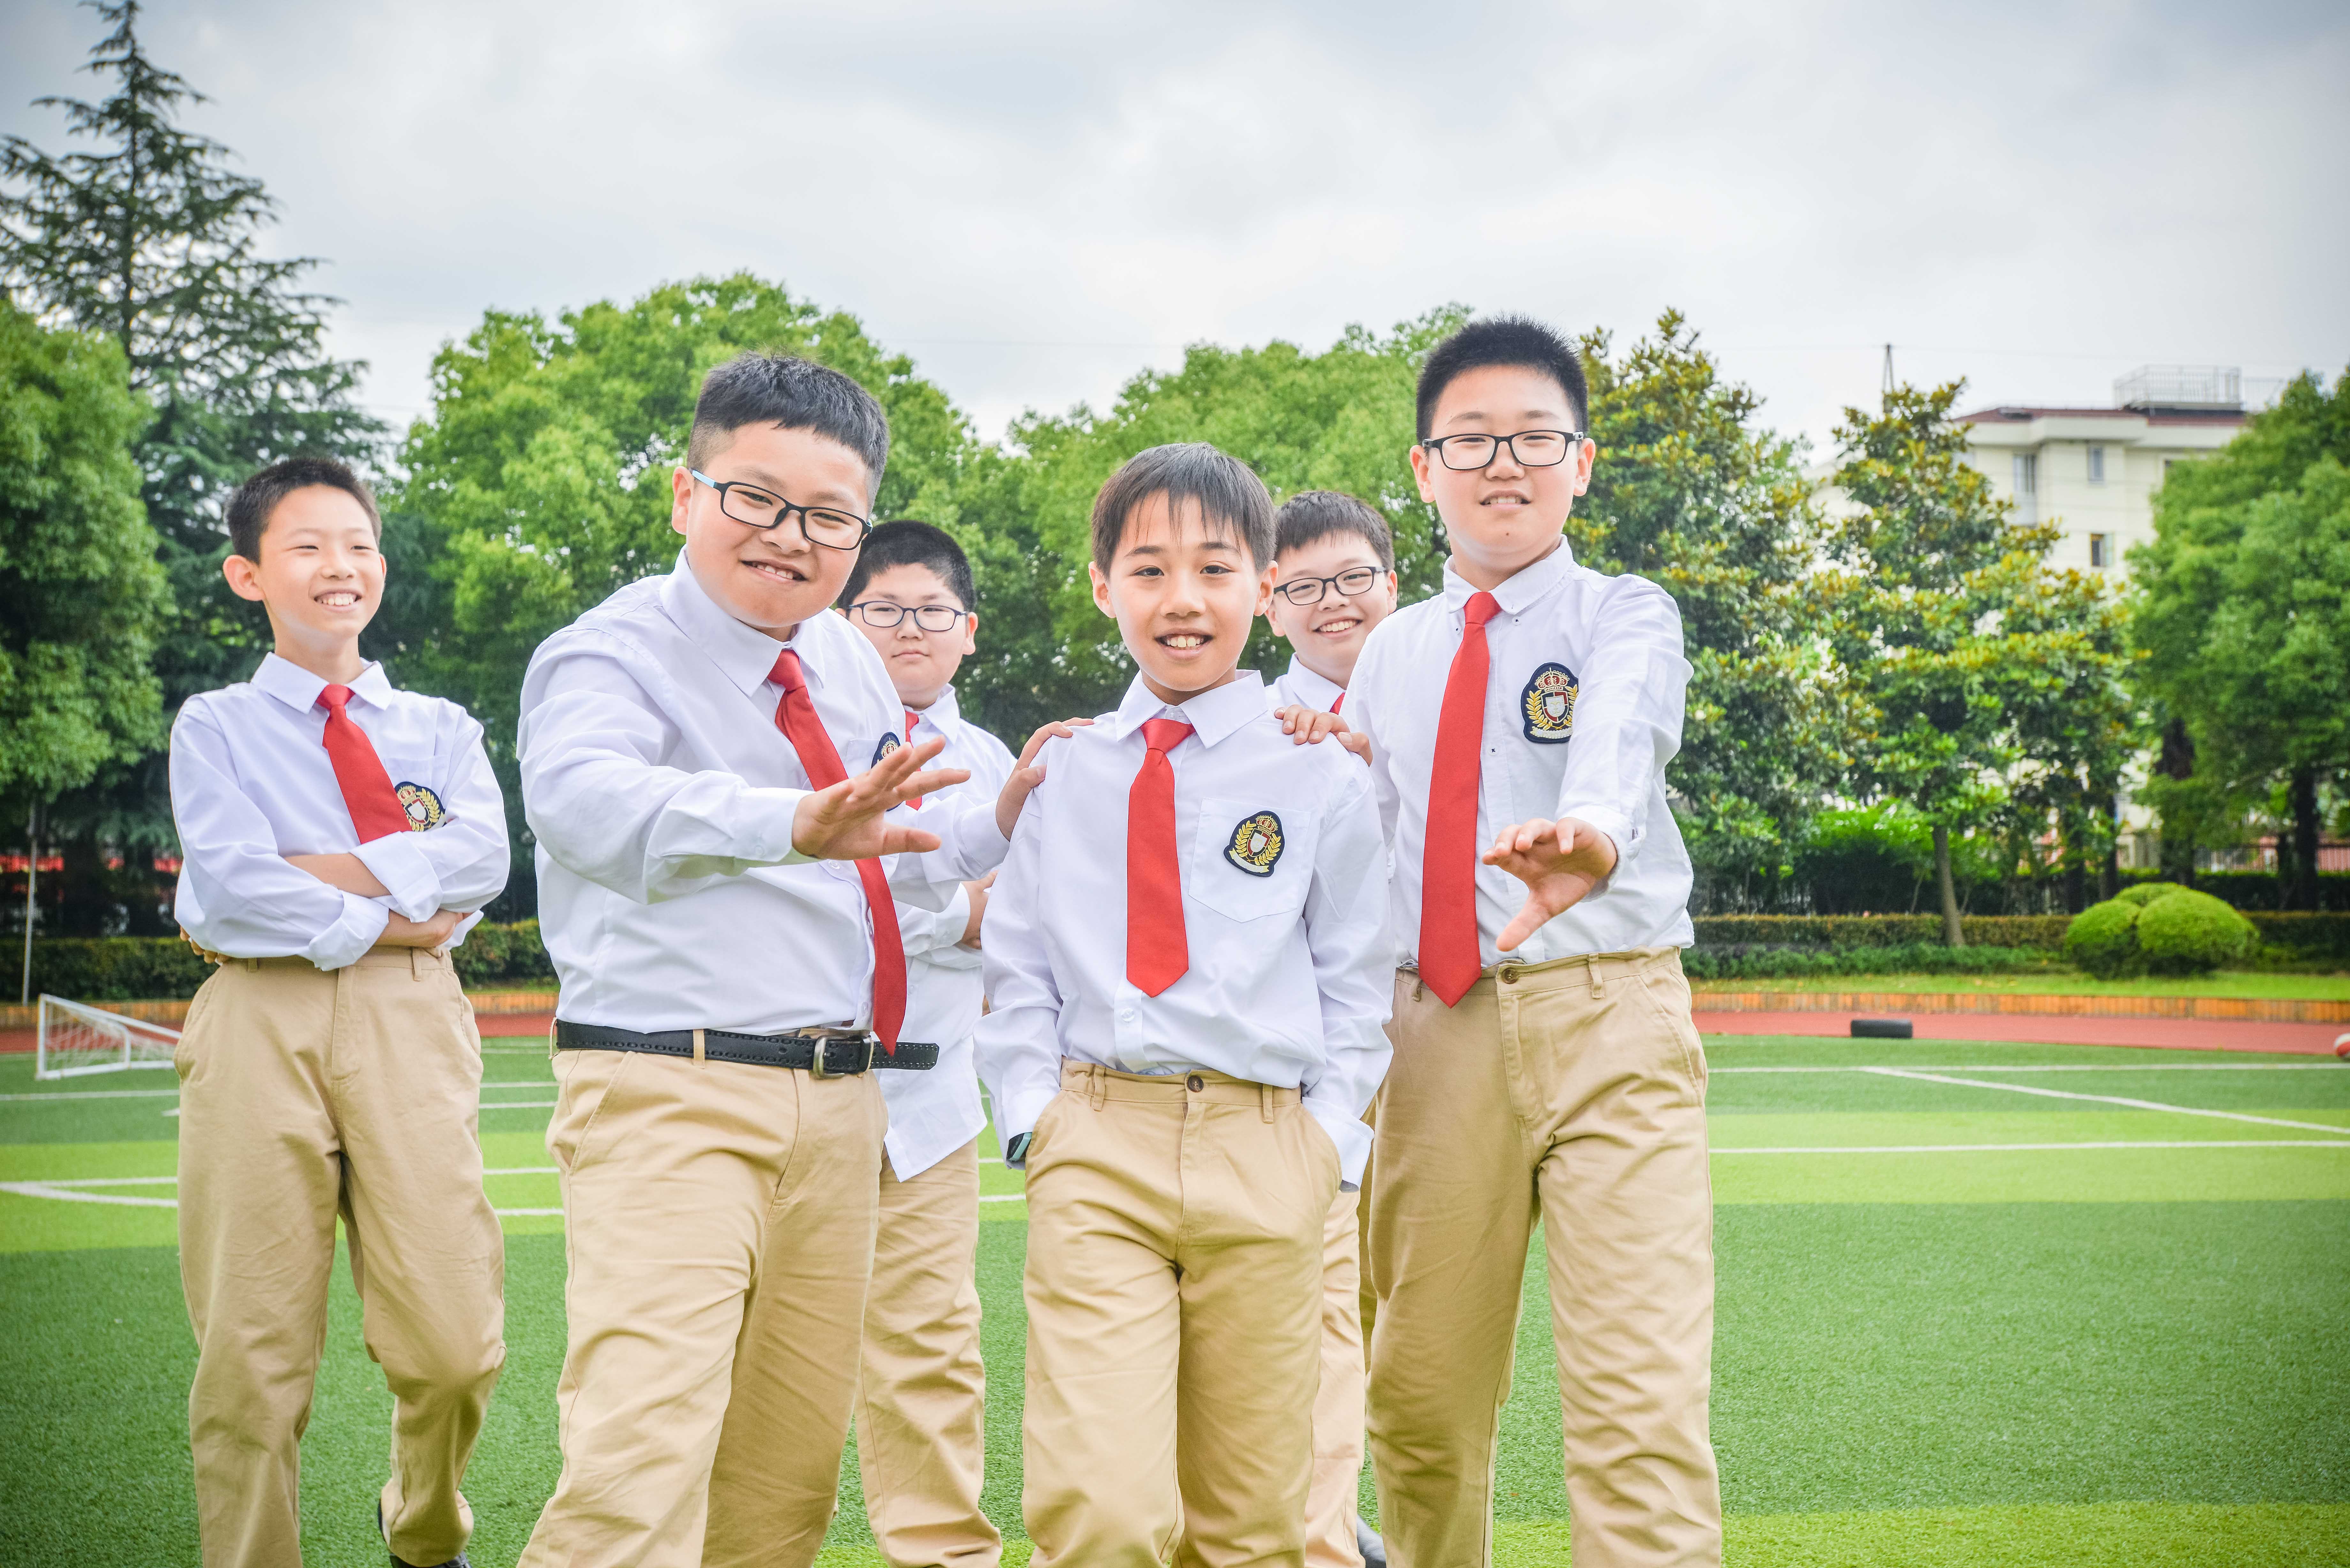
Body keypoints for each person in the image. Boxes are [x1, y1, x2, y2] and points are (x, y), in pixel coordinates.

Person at [514, 353, 1055, 1568]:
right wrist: (791, 821)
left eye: (828, 516)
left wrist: (998, 820)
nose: (789, 537)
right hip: (673, 1087)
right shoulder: (610, 653)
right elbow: (583, 803)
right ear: (685, 493)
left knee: (781, 1482)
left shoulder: (845, 661)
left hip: (843, 1101)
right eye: (755, 498)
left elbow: (879, 856)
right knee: (641, 1460)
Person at [1345, 316, 1723, 1568]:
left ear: (1582, 462)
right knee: (1419, 1406)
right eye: (1471, 440)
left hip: (1612, 1017)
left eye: (1534, 438)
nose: (1503, 463)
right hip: (1431, 1033)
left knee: (1638, 1403)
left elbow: (1621, 725)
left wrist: (1592, 833)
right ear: (1424, 469)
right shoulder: (1390, 653)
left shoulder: (1624, 613)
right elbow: (1361, 850)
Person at [977, 442, 1393, 1568]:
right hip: (1097, 1141)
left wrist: (1326, 1144)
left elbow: (1357, 980)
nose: (1183, 600)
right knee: (1100, 1512)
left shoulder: (1319, 773)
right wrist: (1036, 1122)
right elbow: (1018, 969)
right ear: (1103, 587)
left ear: (1264, 585)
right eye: (1149, 570)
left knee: (1250, 1524)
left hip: (1268, 1148)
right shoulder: (1065, 773)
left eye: (1215, 568)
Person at [169, 456, 509, 1568]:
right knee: (251, 1357)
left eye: (359, 545)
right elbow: (228, 886)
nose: (340, 566)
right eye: (308, 546)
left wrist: (310, 874)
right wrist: (400, 911)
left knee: (455, 1345)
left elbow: (485, 862)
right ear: (248, 575)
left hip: (414, 1021)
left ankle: (422, 1525)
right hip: (256, 1019)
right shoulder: (216, 725)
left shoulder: (441, 728)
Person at [836, 520, 1017, 1568]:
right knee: (761, 1353)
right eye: (884, 609)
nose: (910, 629)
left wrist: (948, 910)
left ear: (969, 630)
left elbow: (1033, 918)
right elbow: (828, 901)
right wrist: (962, 909)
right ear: (844, 622)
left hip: (934, 1098)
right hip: (795, 1084)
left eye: (932, 611)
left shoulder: (995, 765)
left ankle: (945, 1557)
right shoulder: (805, 737)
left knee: (931, 1348)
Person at [1262, 488, 1401, 1568]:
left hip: (1448, 1014)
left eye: (1352, 577)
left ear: (1391, 583)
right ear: (1270, 604)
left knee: (1420, 1290)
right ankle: (1315, 1523)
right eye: (1304, 585)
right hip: (1320, 1039)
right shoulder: (1254, 727)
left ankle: (1370, 1510)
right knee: (1310, 1297)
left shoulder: (1444, 690)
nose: (1332, 602)